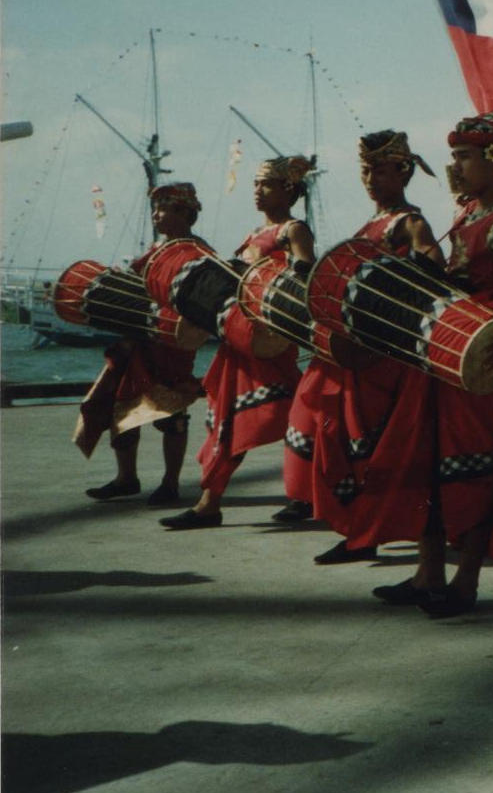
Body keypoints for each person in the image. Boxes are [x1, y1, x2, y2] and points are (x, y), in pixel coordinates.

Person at [369, 111, 493, 617]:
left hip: (484, 361)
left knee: (475, 469)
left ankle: (465, 581)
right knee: (430, 466)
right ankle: (428, 573)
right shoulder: (469, 212)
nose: (458, 166)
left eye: (465, 156)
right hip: (446, 355)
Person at [290, 131, 443, 566]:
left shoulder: (411, 221)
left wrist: (415, 268)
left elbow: (435, 267)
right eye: (365, 170)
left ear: (403, 172)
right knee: (345, 442)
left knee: (376, 450)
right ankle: (361, 530)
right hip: (358, 353)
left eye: (379, 170)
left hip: (388, 357)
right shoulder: (369, 225)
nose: (370, 179)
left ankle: (368, 535)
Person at [161, 158, 313, 530]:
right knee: (251, 416)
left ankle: (219, 504)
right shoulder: (252, 234)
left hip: (268, 337)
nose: (257, 191)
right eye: (255, 184)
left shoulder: (293, 230)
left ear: (289, 189)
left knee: (280, 415)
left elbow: (305, 276)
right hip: (241, 337)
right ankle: (213, 503)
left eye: (266, 184)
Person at [78, 182, 207, 506]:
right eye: (155, 208)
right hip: (140, 339)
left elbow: (205, 300)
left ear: (182, 212)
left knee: (171, 412)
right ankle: (126, 478)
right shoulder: (155, 250)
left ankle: (170, 483)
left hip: (173, 343)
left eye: (163, 208)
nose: (156, 214)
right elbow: (132, 286)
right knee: (120, 406)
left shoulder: (200, 254)